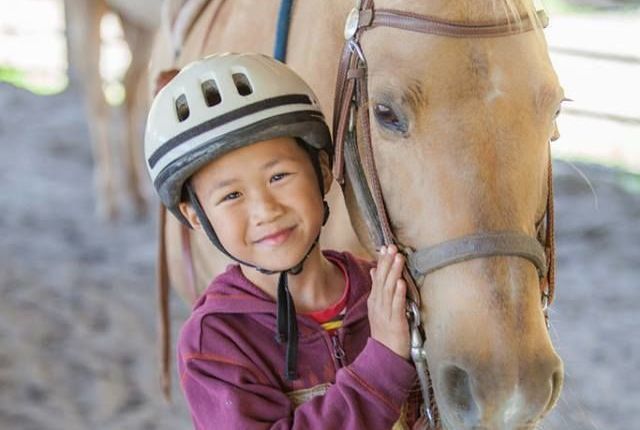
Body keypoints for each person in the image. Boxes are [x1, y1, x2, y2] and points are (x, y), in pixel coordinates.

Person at [145, 53, 423, 429]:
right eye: (231, 196)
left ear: (323, 173)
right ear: (196, 217)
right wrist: (385, 360)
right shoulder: (216, 342)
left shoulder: (384, 291)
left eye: (279, 176)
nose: (265, 210)